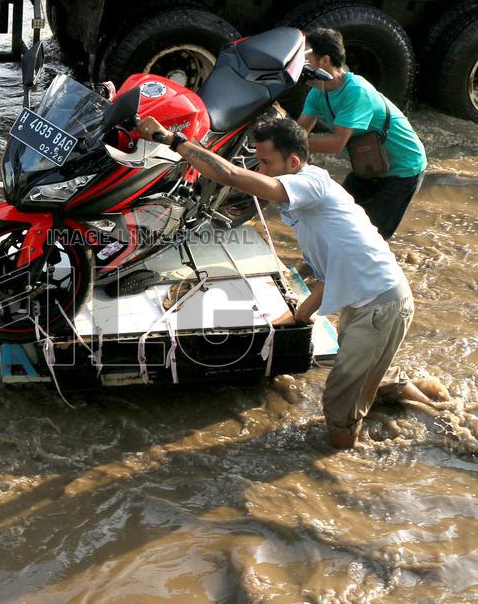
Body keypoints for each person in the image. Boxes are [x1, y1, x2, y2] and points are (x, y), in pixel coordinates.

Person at [136, 116, 440, 448]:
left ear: (293, 161)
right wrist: (297, 318)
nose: (261, 170)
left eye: (266, 163)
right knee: (364, 374)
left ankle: (344, 464)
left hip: (380, 305)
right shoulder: (311, 206)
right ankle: (434, 409)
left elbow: (232, 176)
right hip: (372, 301)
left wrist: (172, 140)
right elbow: (327, 276)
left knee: (338, 407)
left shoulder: (311, 184)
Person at [297, 28, 427, 240]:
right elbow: (300, 132)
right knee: (334, 218)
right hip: (369, 165)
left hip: (404, 168)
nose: (303, 62)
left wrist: (290, 144)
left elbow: (335, 144)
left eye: (307, 55)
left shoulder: (356, 91)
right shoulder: (317, 92)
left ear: (325, 60)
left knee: (370, 237)